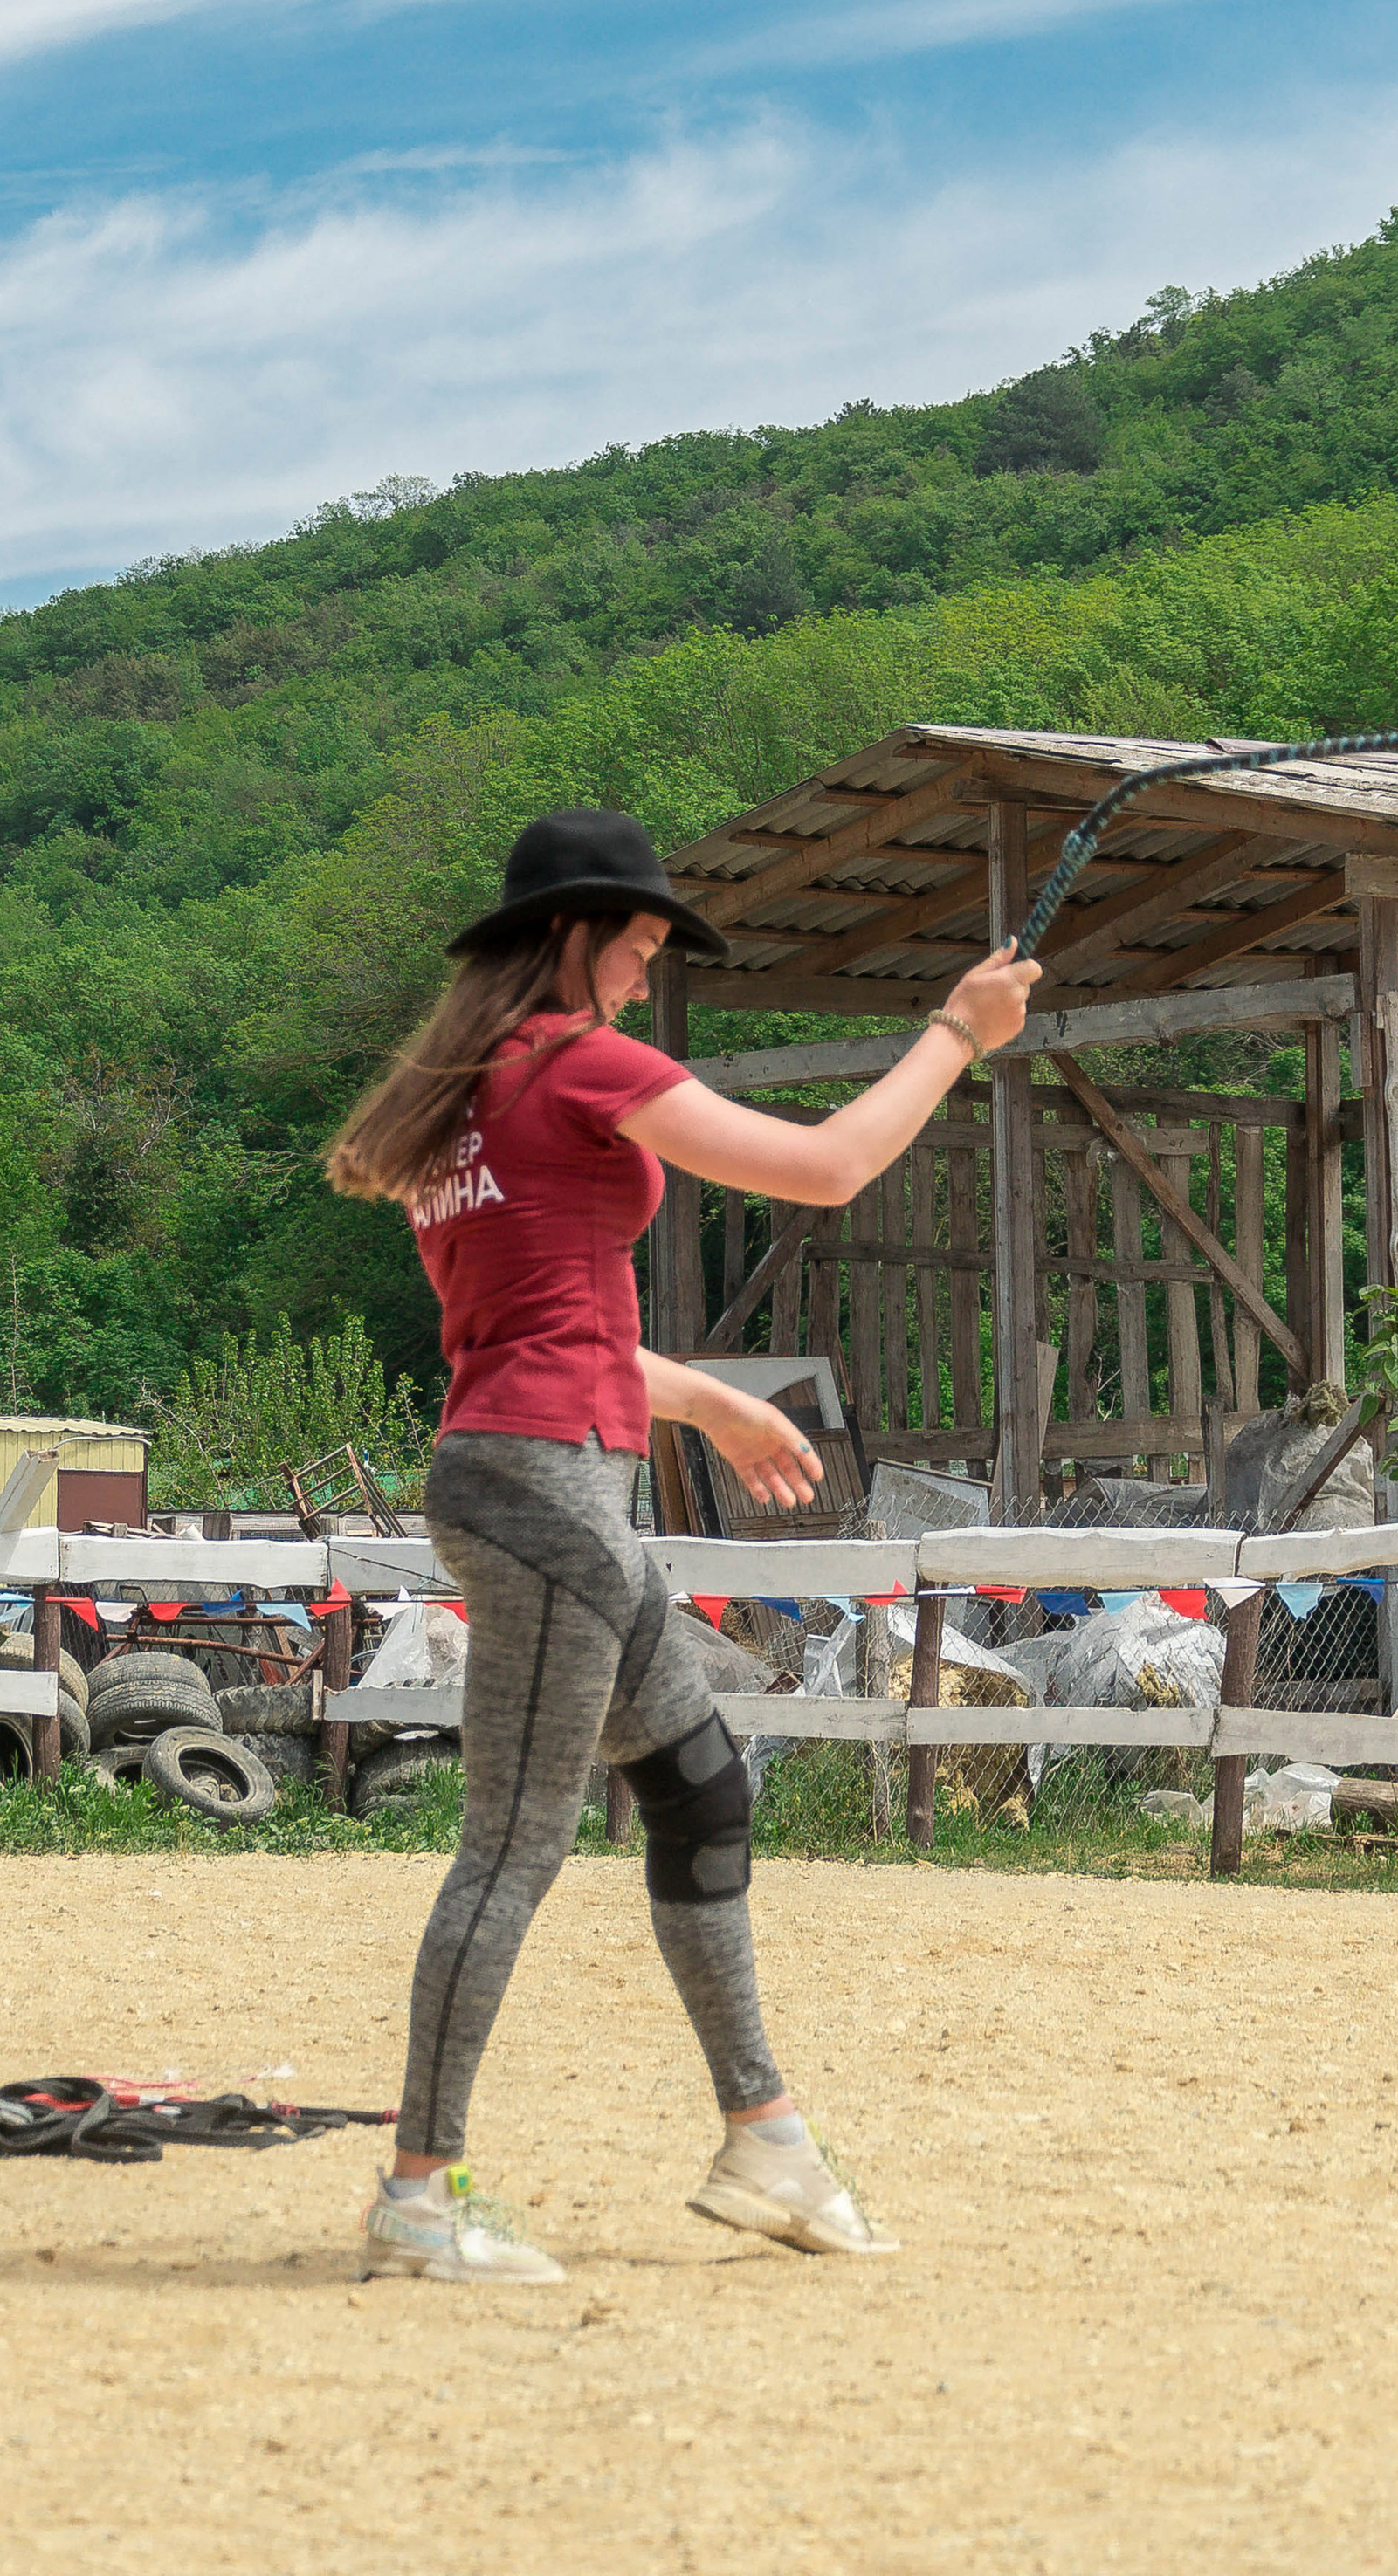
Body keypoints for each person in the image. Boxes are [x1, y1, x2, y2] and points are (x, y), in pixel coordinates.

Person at [324, 804, 1038, 2280]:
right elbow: (829, 1166)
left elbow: (547, 1333)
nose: (646, 976)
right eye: (637, 947)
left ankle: (764, 2139)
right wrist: (957, 1034)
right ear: (570, 939)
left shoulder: (460, 1106)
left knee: (700, 1793)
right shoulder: (579, 1062)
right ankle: (418, 2193)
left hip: (521, 1477)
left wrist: (710, 1402)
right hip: (548, 1498)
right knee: (510, 1848)